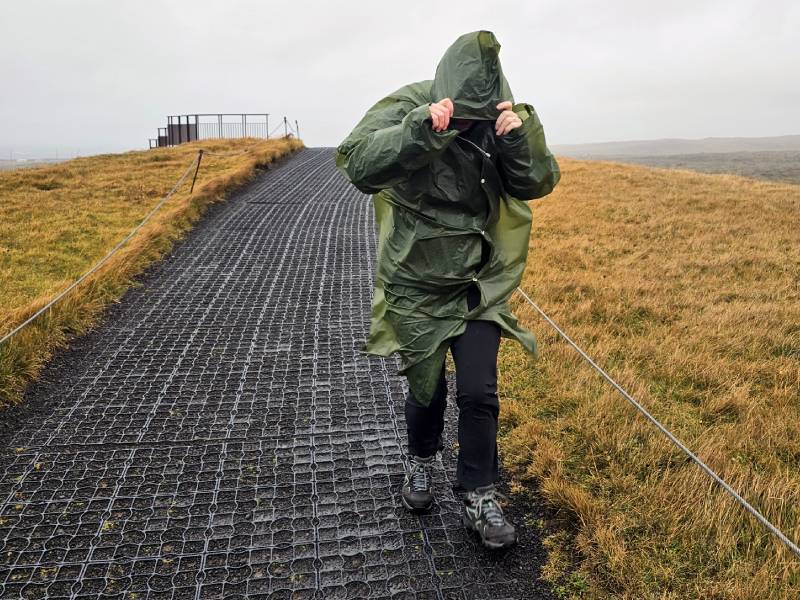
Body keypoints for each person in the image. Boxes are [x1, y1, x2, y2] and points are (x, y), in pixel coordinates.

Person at [335, 30, 560, 550]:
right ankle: (420, 459)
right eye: (463, 114)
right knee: (426, 389)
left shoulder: (501, 116)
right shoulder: (409, 105)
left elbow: (537, 183)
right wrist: (420, 130)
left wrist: (518, 139)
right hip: (415, 280)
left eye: (477, 116)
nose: (468, 124)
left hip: (478, 282)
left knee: (479, 391)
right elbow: (360, 166)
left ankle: (480, 495)